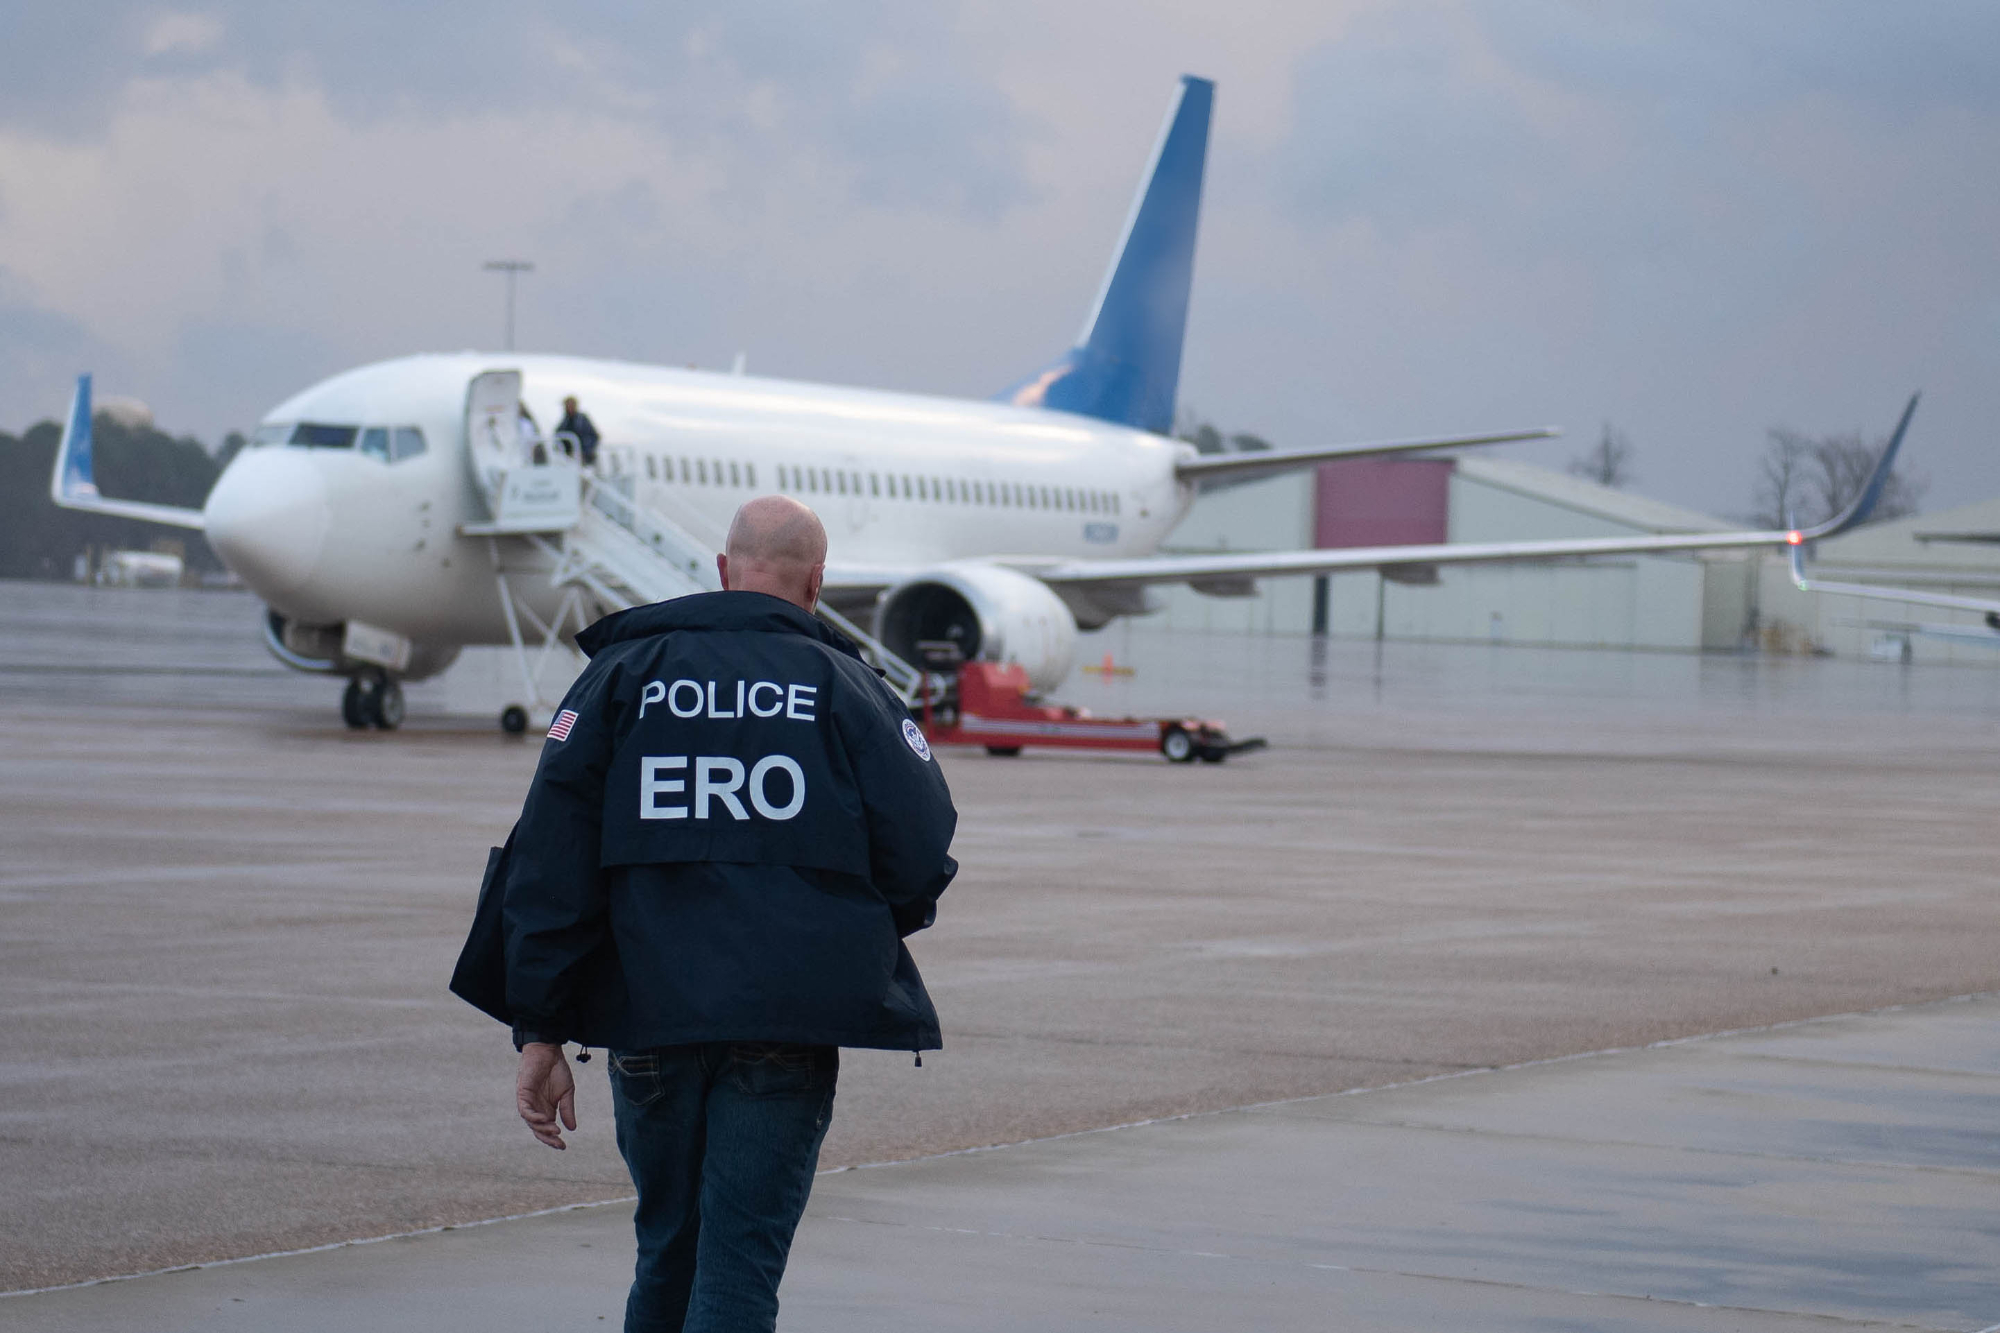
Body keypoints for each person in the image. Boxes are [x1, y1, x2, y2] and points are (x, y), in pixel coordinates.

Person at [504, 495, 957, 1333]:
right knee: (738, 1264)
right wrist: (851, 925)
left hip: (648, 1015)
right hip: (785, 1017)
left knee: (667, 1253)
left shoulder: (620, 677)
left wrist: (539, 1026)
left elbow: (548, 860)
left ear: (720, 570)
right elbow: (922, 847)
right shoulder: (846, 684)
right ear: (818, 584)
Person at [558, 395, 601, 467]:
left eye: (571, 405)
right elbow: (558, 435)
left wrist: (586, 451)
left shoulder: (583, 419)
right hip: (569, 456)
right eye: (567, 405)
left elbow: (595, 436)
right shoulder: (564, 421)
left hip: (583, 456)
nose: (569, 407)